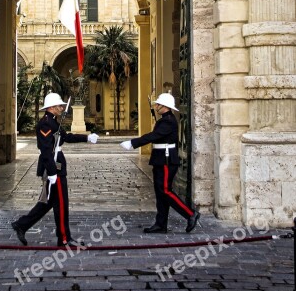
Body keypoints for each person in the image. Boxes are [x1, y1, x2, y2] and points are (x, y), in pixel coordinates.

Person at [11, 92, 99, 247]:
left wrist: (87, 137)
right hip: (54, 167)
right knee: (61, 204)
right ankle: (64, 239)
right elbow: (46, 150)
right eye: (59, 105)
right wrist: (51, 172)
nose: (61, 107)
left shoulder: (53, 122)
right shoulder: (45, 124)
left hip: (57, 165)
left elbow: (66, 137)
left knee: (49, 203)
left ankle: (22, 225)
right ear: (51, 107)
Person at [120, 92, 200, 233]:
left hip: (166, 160)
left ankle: (190, 214)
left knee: (165, 191)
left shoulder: (168, 121)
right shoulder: (164, 119)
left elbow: (154, 136)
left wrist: (133, 143)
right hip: (160, 159)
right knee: (160, 192)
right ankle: (161, 224)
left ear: (165, 106)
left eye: (158, 104)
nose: (156, 106)